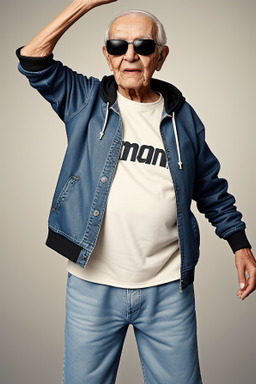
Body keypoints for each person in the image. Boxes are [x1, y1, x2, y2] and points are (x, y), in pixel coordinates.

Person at [16, 1, 256, 383]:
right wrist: (86, 3)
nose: (130, 55)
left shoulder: (183, 117)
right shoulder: (85, 100)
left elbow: (209, 187)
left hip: (167, 289)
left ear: (160, 57)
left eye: (143, 46)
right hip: (92, 286)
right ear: (107, 56)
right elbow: (32, 58)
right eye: (117, 45)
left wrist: (239, 244)